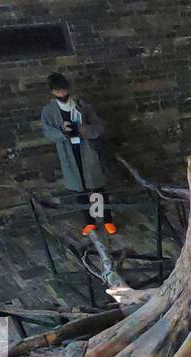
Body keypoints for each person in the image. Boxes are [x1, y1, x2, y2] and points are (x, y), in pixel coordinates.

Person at [40, 73, 115, 236]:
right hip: (68, 152)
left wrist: (82, 129)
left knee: (96, 186)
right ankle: (90, 222)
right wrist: (63, 131)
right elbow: (48, 132)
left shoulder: (82, 105)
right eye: (58, 91)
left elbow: (98, 127)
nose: (62, 94)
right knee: (78, 189)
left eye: (64, 90)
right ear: (53, 92)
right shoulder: (49, 111)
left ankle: (106, 219)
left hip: (87, 150)